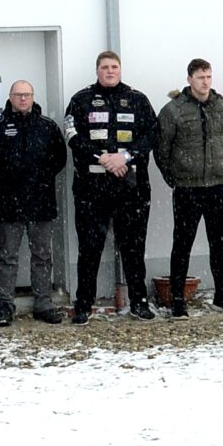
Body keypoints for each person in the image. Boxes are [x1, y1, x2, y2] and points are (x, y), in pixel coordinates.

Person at [65, 51, 160, 322]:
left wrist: (126, 157)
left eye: (114, 67)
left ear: (120, 69)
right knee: (89, 248)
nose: (110, 71)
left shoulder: (137, 99)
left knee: (133, 248)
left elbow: (152, 133)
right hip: (91, 190)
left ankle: (139, 302)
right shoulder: (81, 100)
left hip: (131, 189)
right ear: (97, 70)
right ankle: (84, 305)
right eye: (105, 67)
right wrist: (103, 158)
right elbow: (72, 135)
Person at [157, 58, 223, 319]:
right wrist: (175, 177)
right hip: (188, 189)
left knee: (219, 244)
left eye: (209, 76)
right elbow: (162, 149)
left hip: (218, 186)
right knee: (182, 244)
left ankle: (222, 295)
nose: (205, 82)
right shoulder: (174, 110)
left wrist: (217, 165)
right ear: (190, 79)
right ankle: (178, 299)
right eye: (201, 77)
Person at [0, 80, 69, 324]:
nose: (23, 99)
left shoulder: (47, 127)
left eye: (27, 95)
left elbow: (59, 159)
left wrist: (38, 179)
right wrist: (10, 180)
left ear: (33, 97)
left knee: (42, 256)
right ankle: (4, 304)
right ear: (10, 97)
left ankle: (43, 303)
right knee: (8, 257)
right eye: (18, 95)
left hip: (41, 202)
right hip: (8, 203)